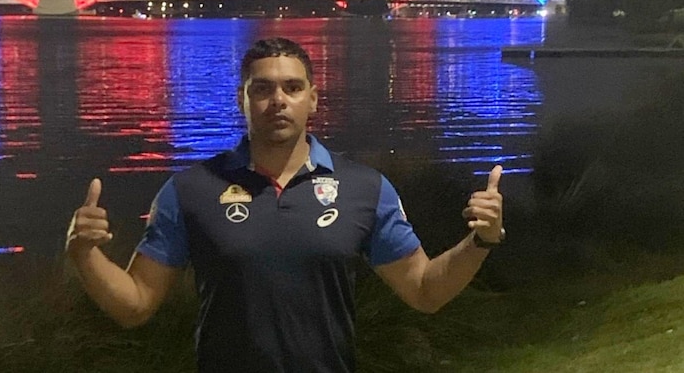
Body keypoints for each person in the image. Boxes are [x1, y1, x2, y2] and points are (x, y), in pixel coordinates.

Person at [66, 37, 504, 372]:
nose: (278, 100)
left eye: (293, 88)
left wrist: (480, 242)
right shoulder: (191, 190)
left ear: (313, 99)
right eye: (263, 89)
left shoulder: (363, 188)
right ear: (242, 99)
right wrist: (84, 254)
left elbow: (425, 291)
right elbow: (135, 304)